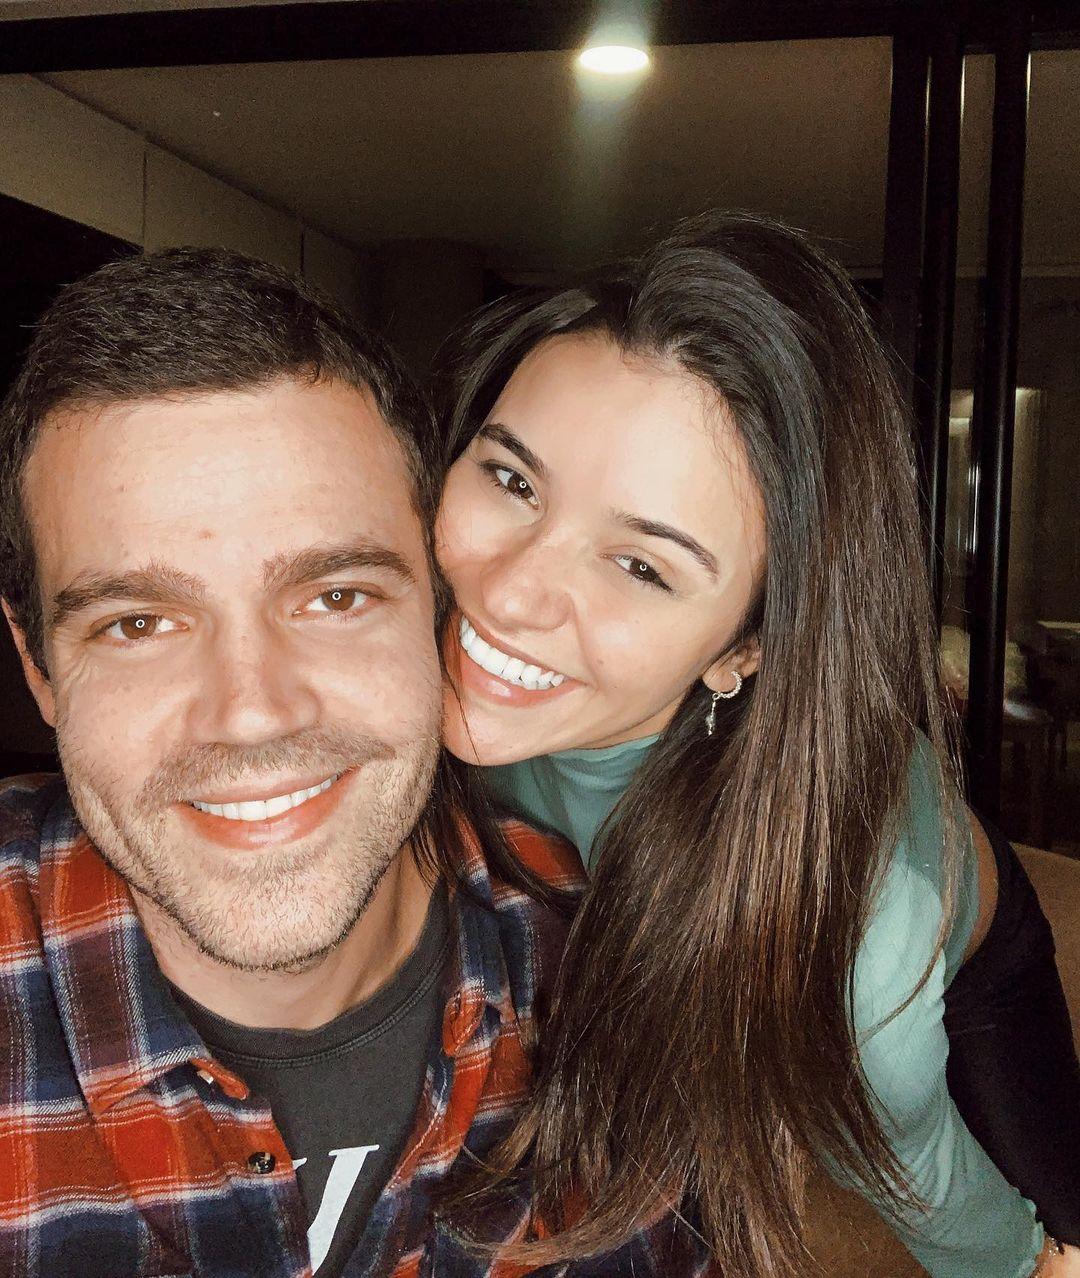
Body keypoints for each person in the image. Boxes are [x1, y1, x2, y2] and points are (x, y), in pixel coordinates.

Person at [0, 248, 715, 1278]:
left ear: (442, 612)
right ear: (38, 667)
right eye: (138, 623)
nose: (252, 714)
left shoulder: (614, 976)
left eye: (337, 597)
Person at [434, 212, 1080, 1278]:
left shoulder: (855, 944)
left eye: (641, 566)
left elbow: (914, 1173)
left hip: (961, 933)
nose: (508, 594)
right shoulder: (408, 671)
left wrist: (1024, 1260)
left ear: (744, 649)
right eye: (512, 480)